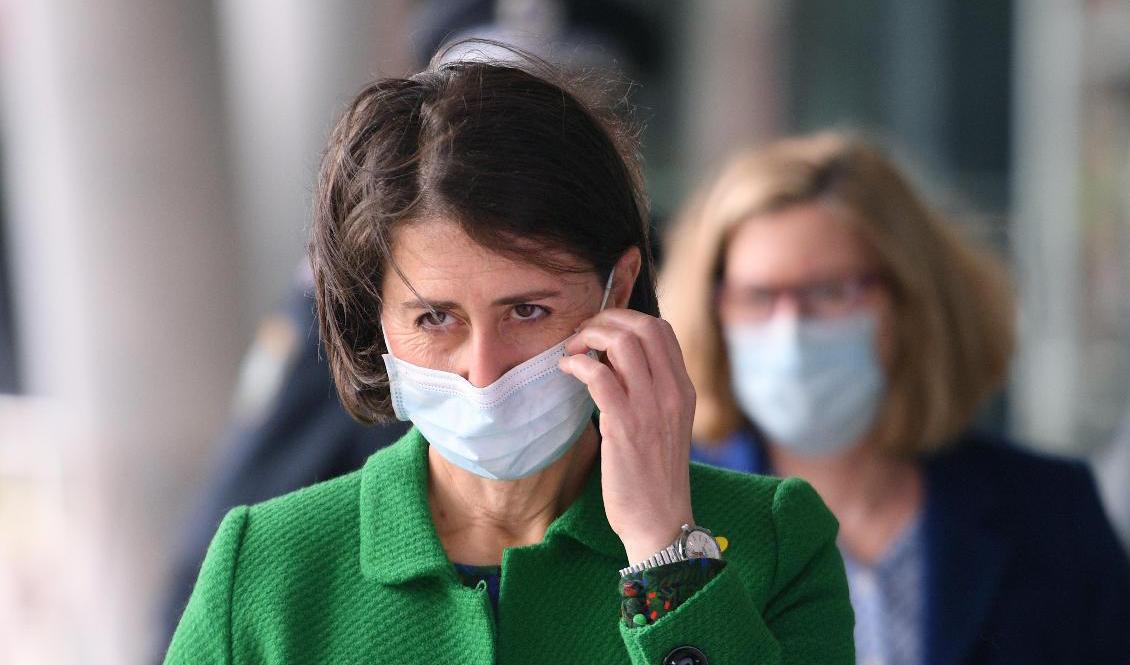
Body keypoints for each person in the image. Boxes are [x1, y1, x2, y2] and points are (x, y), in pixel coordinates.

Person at [163, 48, 854, 664]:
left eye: (528, 310)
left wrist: (666, 551)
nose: (484, 369)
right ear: (374, 316)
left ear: (618, 288)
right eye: (436, 317)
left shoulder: (774, 539)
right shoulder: (266, 564)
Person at [660, 132, 1130, 665]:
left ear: (911, 303)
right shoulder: (664, 519)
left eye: (830, 292)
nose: (789, 331)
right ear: (714, 311)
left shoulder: (1051, 513)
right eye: (758, 297)